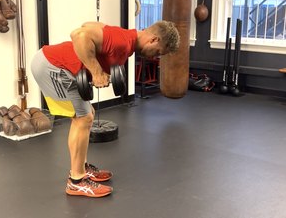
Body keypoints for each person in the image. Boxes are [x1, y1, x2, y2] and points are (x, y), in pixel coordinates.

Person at [30, 21, 180, 198]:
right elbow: (78, 34)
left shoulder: (126, 39)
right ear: (154, 40)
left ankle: (81, 169)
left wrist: (96, 67)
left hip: (59, 66)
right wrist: (95, 71)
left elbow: (88, 25)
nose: (154, 57)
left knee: (87, 115)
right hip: (53, 66)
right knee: (83, 119)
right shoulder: (121, 40)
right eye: (157, 52)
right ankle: (76, 181)